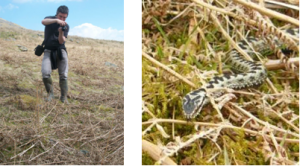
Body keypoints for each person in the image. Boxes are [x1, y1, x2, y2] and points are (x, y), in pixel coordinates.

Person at [41, 5, 70, 104]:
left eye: (64, 17)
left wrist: (61, 33)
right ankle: (50, 95)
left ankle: (63, 97)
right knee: (45, 72)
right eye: (60, 16)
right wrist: (56, 21)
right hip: (48, 50)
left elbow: (61, 42)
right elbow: (43, 22)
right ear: (56, 14)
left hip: (60, 51)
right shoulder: (50, 19)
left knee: (63, 75)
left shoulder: (66, 26)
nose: (62, 19)